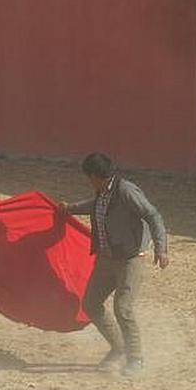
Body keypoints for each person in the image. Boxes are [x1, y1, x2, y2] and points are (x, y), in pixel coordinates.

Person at [59, 153, 168, 377]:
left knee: (123, 307)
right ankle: (119, 347)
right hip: (107, 258)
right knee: (90, 303)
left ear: (94, 176)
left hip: (130, 259)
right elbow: (97, 206)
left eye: (89, 177)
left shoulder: (126, 191)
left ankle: (135, 357)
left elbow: (152, 214)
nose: (88, 181)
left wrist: (161, 247)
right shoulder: (103, 190)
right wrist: (70, 208)